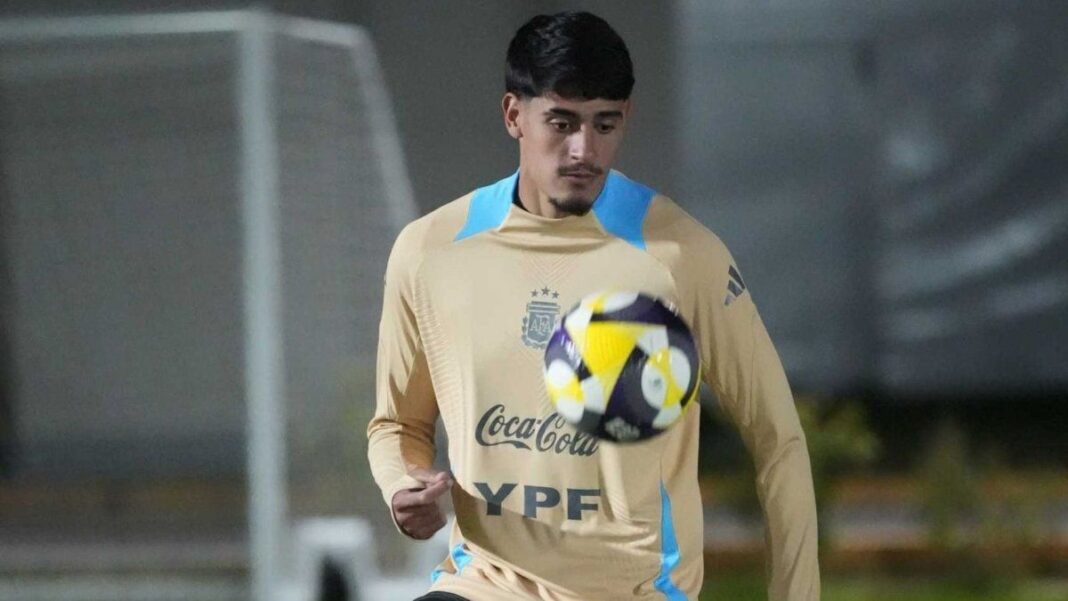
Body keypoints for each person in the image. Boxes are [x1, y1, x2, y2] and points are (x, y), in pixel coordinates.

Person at [367, 10, 820, 601]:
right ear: (514, 115)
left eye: (605, 124)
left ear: (626, 116)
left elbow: (778, 440)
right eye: (561, 122)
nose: (584, 149)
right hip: (486, 584)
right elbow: (397, 425)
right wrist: (404, 486)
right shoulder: (431, 251)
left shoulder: (682, 258)